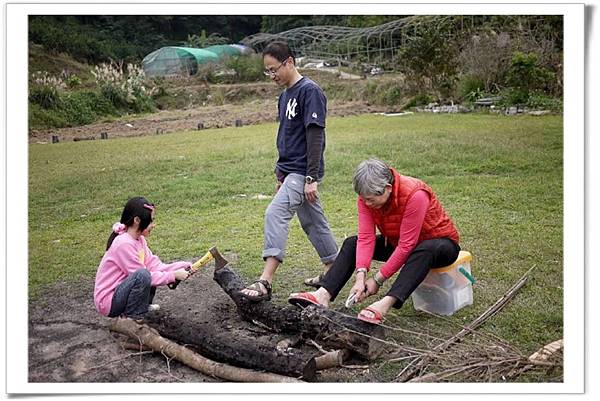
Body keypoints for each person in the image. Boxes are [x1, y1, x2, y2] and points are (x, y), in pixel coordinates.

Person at [288, 158, 461, 324]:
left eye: (370, 199)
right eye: (364, 199)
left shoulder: (416, 195)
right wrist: (360, 276)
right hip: (397, 241)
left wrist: (377, 280)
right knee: (352, 243)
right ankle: (322, 295)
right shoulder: (366, 197)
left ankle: (384, 304)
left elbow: (407, 245)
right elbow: (366, 237)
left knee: (425, 249)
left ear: (387, 188)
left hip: (440, 245)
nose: (366, 203)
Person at [239, 41, 338, 301]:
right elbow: (287, 137)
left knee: (275, 213)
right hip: (290, 172)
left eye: (274, 70)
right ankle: (334, 270)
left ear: (290, 62)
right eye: (267, 72)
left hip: (302, 171)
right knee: (313, 221)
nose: (272, 76)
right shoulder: (284, 96)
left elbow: (315, 137)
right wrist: (280, 175)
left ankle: (265, 281)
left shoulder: (310, 91)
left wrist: (310, 178)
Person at [93, 196, 191, 320]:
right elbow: (145, 276)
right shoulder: (123, 244)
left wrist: (181, 266)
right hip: (109, 301)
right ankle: (133, 319)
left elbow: (155, 265)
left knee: (147, 272)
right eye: (150, 221)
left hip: (121, 292)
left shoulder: (139, 240)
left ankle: (142, 307)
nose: (153, 225)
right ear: (137, 220)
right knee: (143, 275)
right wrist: (173, 276)